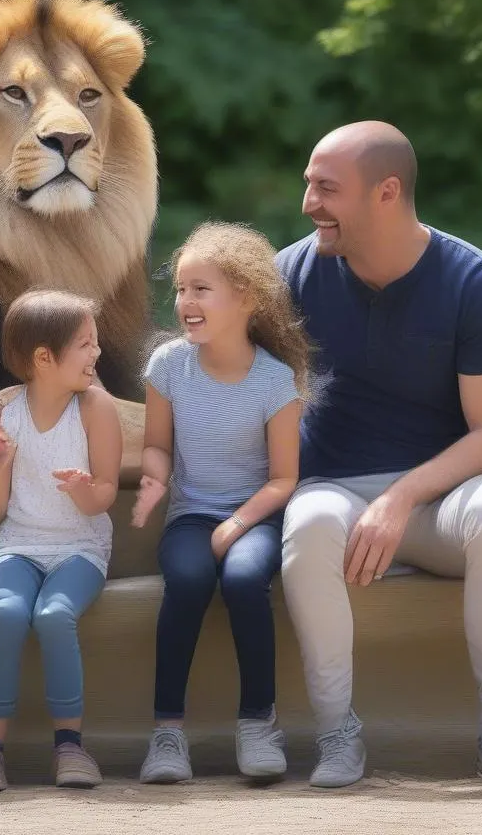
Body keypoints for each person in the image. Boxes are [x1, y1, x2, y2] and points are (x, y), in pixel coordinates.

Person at [275, 121, 482, 792]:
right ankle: (338, 734)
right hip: (333, 492)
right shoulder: (288, 275)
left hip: (442, 502)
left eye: (327, 188)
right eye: (309, 183)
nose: (308, 202)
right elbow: (220, 390)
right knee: (306, 526)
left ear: (387, 192)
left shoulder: (473, 281)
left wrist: (401, 499)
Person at [130, 222, 307, 783]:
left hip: (254, 514)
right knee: (187, 580)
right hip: (190, 517)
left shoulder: (276, 381)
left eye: (201, 289)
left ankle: (258, 724)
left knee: (242, 580)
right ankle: (166, 735)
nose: (185, 301)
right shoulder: (167, 366)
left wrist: (237, 523)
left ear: (247, 298)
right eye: (181, 289)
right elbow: (156, 445)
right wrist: (156, 478)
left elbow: (283, 479)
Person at [0, 289, 121, 793]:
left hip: (81, 548)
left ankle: (70, 746)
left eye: (95, 343)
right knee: (7, 615)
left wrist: (83, 490)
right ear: (44, 358)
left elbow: (106, 497)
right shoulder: (4, 414)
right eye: (85, 345)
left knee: (53, 616)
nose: (97, 354)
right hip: (19, 547)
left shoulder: (97, 409)